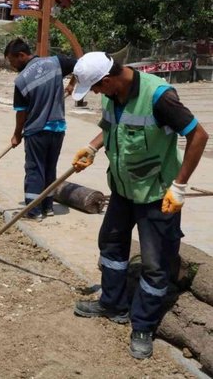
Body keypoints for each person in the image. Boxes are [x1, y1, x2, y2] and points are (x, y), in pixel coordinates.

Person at [70, 52, 208, 359]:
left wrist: (180, 186)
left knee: (155, 264)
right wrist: (92, 148)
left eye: (96, 88)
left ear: (108, 80)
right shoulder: (112, 94)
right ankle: (113, 304)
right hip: (122, 188)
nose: (95, 94)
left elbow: (198, 135)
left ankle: (143, 325)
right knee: (112, 245)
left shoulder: (159, 97)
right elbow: (110, 127)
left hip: (157, 194)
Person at [4, 38, 77, 220]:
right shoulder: (56, 62)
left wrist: (16, 135)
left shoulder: (21, 81)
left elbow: (21, 113)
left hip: (36, 131)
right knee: (50, 168)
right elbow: (81, 65)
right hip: (58, 128)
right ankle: (48, 207)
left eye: (12, 61)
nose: (13, 66)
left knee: (35, 169)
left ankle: (33, 211)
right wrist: (72, 84)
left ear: (21, 55)